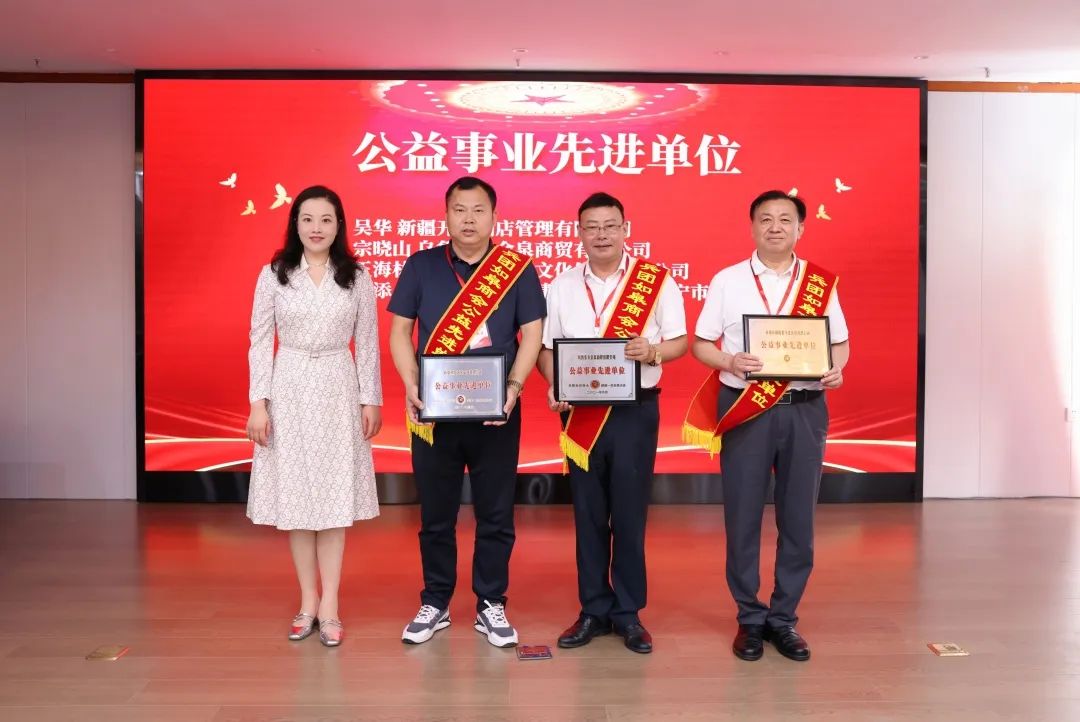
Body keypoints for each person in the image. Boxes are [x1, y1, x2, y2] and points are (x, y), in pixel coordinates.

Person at [685, 189, 850, 662]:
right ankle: (749, 618)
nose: (775, 227)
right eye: (765, 219)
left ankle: (784, 619)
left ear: (801, 228)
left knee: (798, 517)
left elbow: (839, 343)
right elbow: (700, 344)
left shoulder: (820, 283)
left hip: (804, 408)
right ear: (752, 226)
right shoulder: (728, 280)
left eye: (785, 219)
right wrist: (730, 360)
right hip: (746, 407)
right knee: (742, 516)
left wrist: (837, 368)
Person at [388, 176, 546, 648]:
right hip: (434, 413)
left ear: (495, 216)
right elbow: (399, 332)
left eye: (479, 210)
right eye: (460, 210)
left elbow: (532, 334)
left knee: (495, 513)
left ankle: (490, 603)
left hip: (496, 412)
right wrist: (412, 384)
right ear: (446, 215)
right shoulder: (421, 265)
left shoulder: (517, 269)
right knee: (436, 513)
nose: (469, 219)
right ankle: (435, 601)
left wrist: (514, 388)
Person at [537, 192, 687, 654]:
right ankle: (593, 610)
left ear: (626, 229)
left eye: (610, 226)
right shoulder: (561, 285)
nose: (601, 235)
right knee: (587, 514)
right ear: (579, 232)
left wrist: (653, 351)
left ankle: (628, 613)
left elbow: (679, 341)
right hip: (581, 412)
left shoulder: (656, 281)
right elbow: (546, 349)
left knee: (629, 513)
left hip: (634, 412)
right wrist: (555, 383)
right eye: (592, 227)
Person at [245, 185, 383, 648]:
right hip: (288, 387)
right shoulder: (274, 275)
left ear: (339, 225)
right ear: (296, 224)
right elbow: (259, 340)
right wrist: (258, 402)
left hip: (338, 386)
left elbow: (367, 341)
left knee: (334, 500)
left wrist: (371, 399)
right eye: (307, 219)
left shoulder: (356, 276)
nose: (317, 228)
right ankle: (307, 600)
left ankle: (331, 605)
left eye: (326, 219)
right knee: (298, 500)